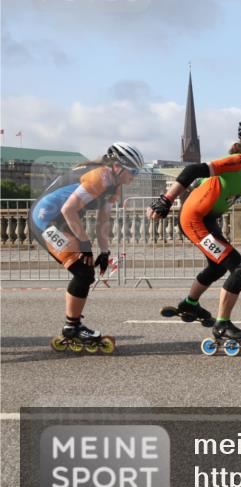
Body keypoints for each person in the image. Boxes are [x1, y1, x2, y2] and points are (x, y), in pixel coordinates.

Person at [146, 120, 241, 344]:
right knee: (239, 268)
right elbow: (191, 170)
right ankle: (222, 324)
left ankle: (190, 304)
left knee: (218, 266)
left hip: (208, 220)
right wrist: (165, 200)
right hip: (194, 220)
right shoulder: (237, 162)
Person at [30, 142, 145, 348]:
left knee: (85, 272)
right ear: (117, 167)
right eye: (133, 171)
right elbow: (68, 209)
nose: (134, 176)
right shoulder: (99, 177)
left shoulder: (115, 185)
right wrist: (84, 243)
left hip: (60, 221)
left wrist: (104, 251)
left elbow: (103, 221)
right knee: (83, 271)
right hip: (45, 221)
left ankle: (72, 325)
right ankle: (72, 327)